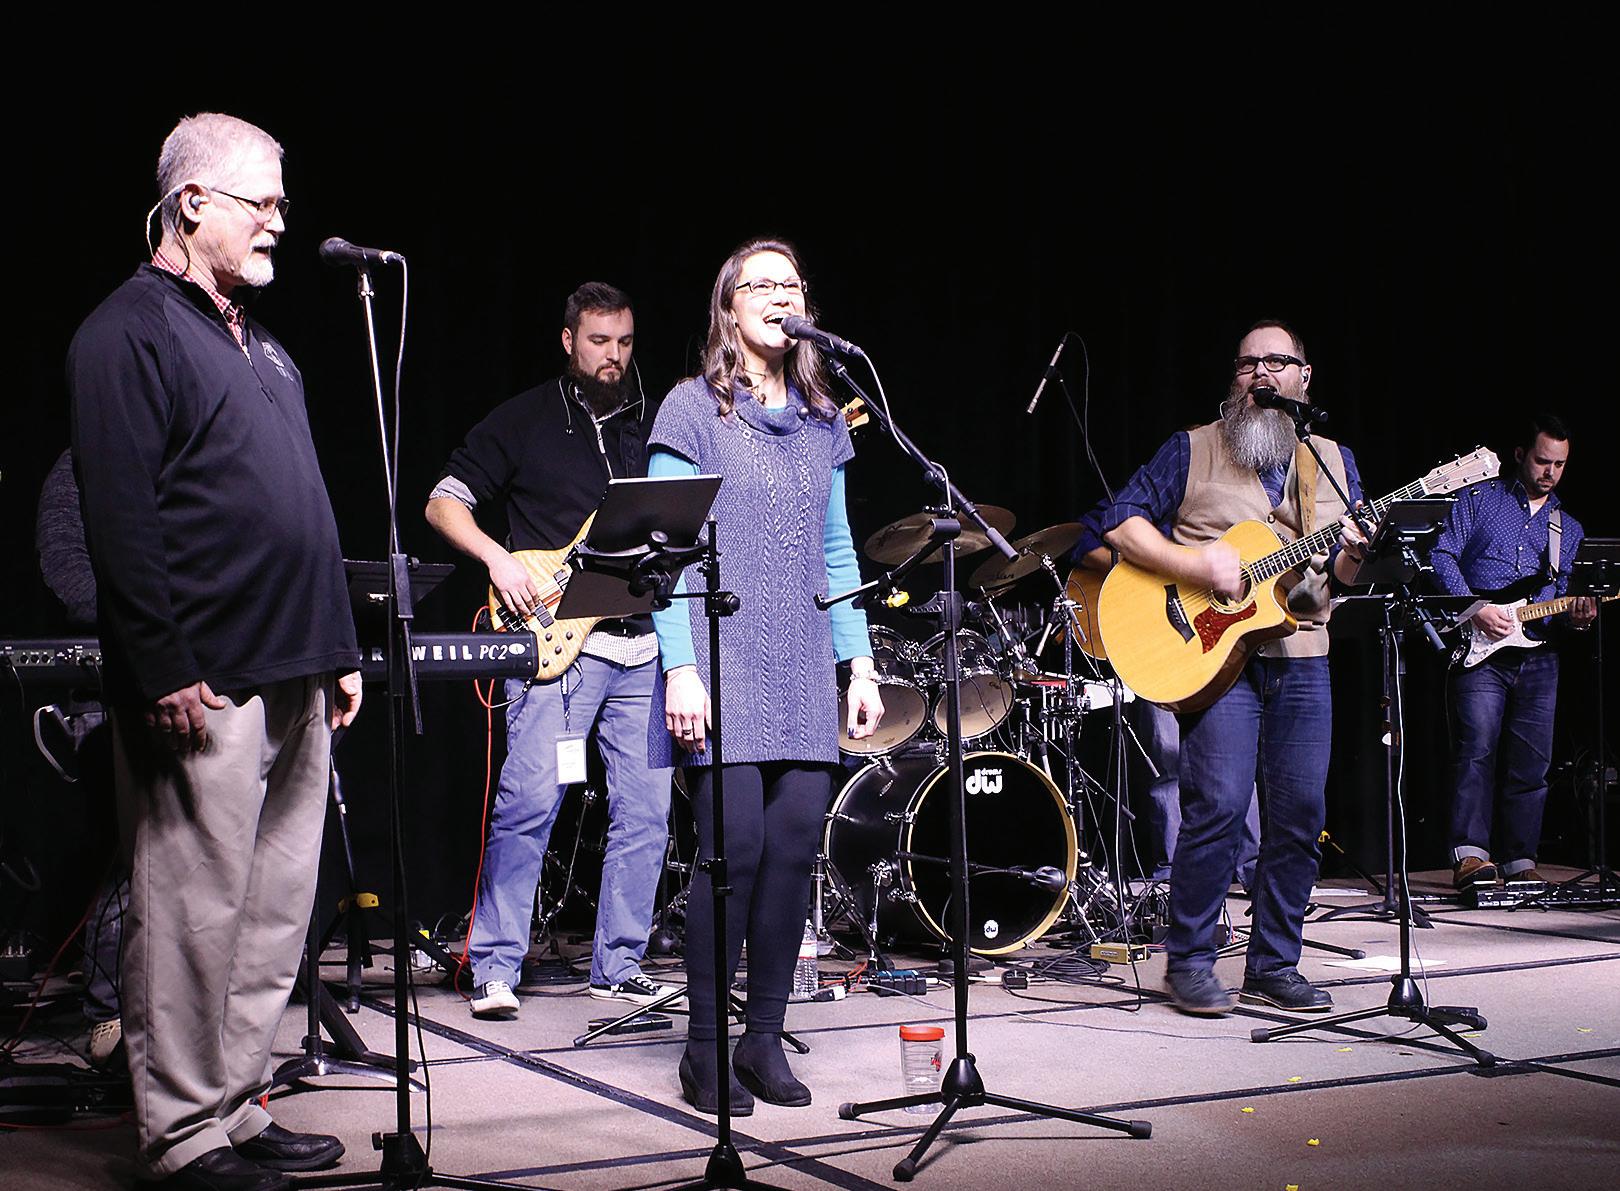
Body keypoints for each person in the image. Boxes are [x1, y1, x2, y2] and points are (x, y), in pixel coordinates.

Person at [69, 113, 362, 1191]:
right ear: (193, 203)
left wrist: (338, 646)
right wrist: (159, 665)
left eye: (282, 200)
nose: (280, 218)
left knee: (274, 912)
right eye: (262, 200)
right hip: (205, 678)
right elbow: (119, 519)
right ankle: (182, 1133)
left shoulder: (266, 347)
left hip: (296, 665)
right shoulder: (126, 333)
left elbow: (305, 507)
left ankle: (237, 1106)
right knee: (191, 917)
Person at [648, 238, 883, 1114]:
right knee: (734, 852)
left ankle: (763, 1038)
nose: (780, 296)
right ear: (729, 306)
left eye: (792, 284)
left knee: (790, 855)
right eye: (762, 284)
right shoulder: (691, 409)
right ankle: (705, 1046)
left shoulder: (825, 421)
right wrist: (680, 667)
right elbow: (664, 552)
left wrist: (859, 663)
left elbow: (838, 549)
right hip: (721, 658)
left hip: (802, 662)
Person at [1102, 319, 1366, 1017]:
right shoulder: (1191, 448)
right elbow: (1118, 522)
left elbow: (1338, 578)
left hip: (1302, 654)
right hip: (1214, 655)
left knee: (1300, 815)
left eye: (1276, 361)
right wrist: (1196, 566)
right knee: (1217, 806)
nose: (1260, 373)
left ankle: (1275, 963)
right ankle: (1189, 960)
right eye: (1248, 363)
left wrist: (1354, 555)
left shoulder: (1333, 463)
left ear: (1304, 377)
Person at [426, 283, 675, 1018]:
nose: (613, 356)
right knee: (529, 803)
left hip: (643, 643)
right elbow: (442, 501)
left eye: (624, 342)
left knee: (647, 816)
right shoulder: (527, 418)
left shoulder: (654, 425)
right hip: (556, 642)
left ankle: (619, 965)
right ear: (569, 341)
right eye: (599, 342)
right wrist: (498, 559)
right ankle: (494, 966)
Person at [1430, 415, 1594, 888]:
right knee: (1476, 749)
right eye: (1542, 461)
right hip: (1481, 647)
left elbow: (1562, 595)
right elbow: (1441, 555)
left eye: (1559, 464)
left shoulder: (1568, 527)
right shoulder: (1479, 500)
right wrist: (1475, 608)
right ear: (1521, 455)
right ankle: (1471, 857)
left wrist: (1578, 616)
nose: (1550, 472)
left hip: (1538, 653)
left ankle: (1521, 859)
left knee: (1532, 761)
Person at [1071, 501, 1260, 888]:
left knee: (1239, 761)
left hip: (1216, 644)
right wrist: (1139, 569)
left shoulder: (1219, 508)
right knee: (1167, 758)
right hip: (1163, 645)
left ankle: (1250, 865)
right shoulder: (1139, 503)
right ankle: (1173, 867)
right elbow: (1080, 540)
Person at [35, 448, 126, 1070]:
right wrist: (149, 621)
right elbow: (67, 567)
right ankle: (110, 1016)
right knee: (132, 856)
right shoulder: (80, 462)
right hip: (111, 684)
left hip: (202, 680)